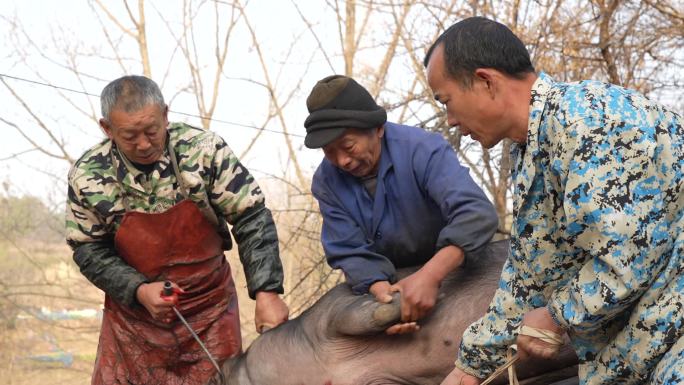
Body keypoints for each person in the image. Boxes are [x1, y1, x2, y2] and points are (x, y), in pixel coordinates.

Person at [424, 16, 684, 385]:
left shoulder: (589, 120)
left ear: (485, 81)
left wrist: (556, 315)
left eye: (447, 100)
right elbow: (529, 277)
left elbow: (627, 257)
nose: (449, 120)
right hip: (647, 344)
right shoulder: (534, 150)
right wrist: (470, 368)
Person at [66, 75, 289, 385]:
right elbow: (87, 248)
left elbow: (251, 216)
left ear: (165, 115)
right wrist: (138, 290)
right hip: (133, 320)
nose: (144, 144)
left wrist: (267, 291)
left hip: (209, 309)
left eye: (152, 131)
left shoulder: (204, 151)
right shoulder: (88, 174)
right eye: (130, 136)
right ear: (107, 129)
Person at [304, 74, 499, 334]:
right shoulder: (326, 181)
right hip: (394, 282)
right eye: (329, 152)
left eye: (348, 146)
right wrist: (383, 296)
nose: (342, 161)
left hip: (458, 269)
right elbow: (348, 250)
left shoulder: (423, 149)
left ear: (378, 129)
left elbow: (476, 214)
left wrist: (430, 276)